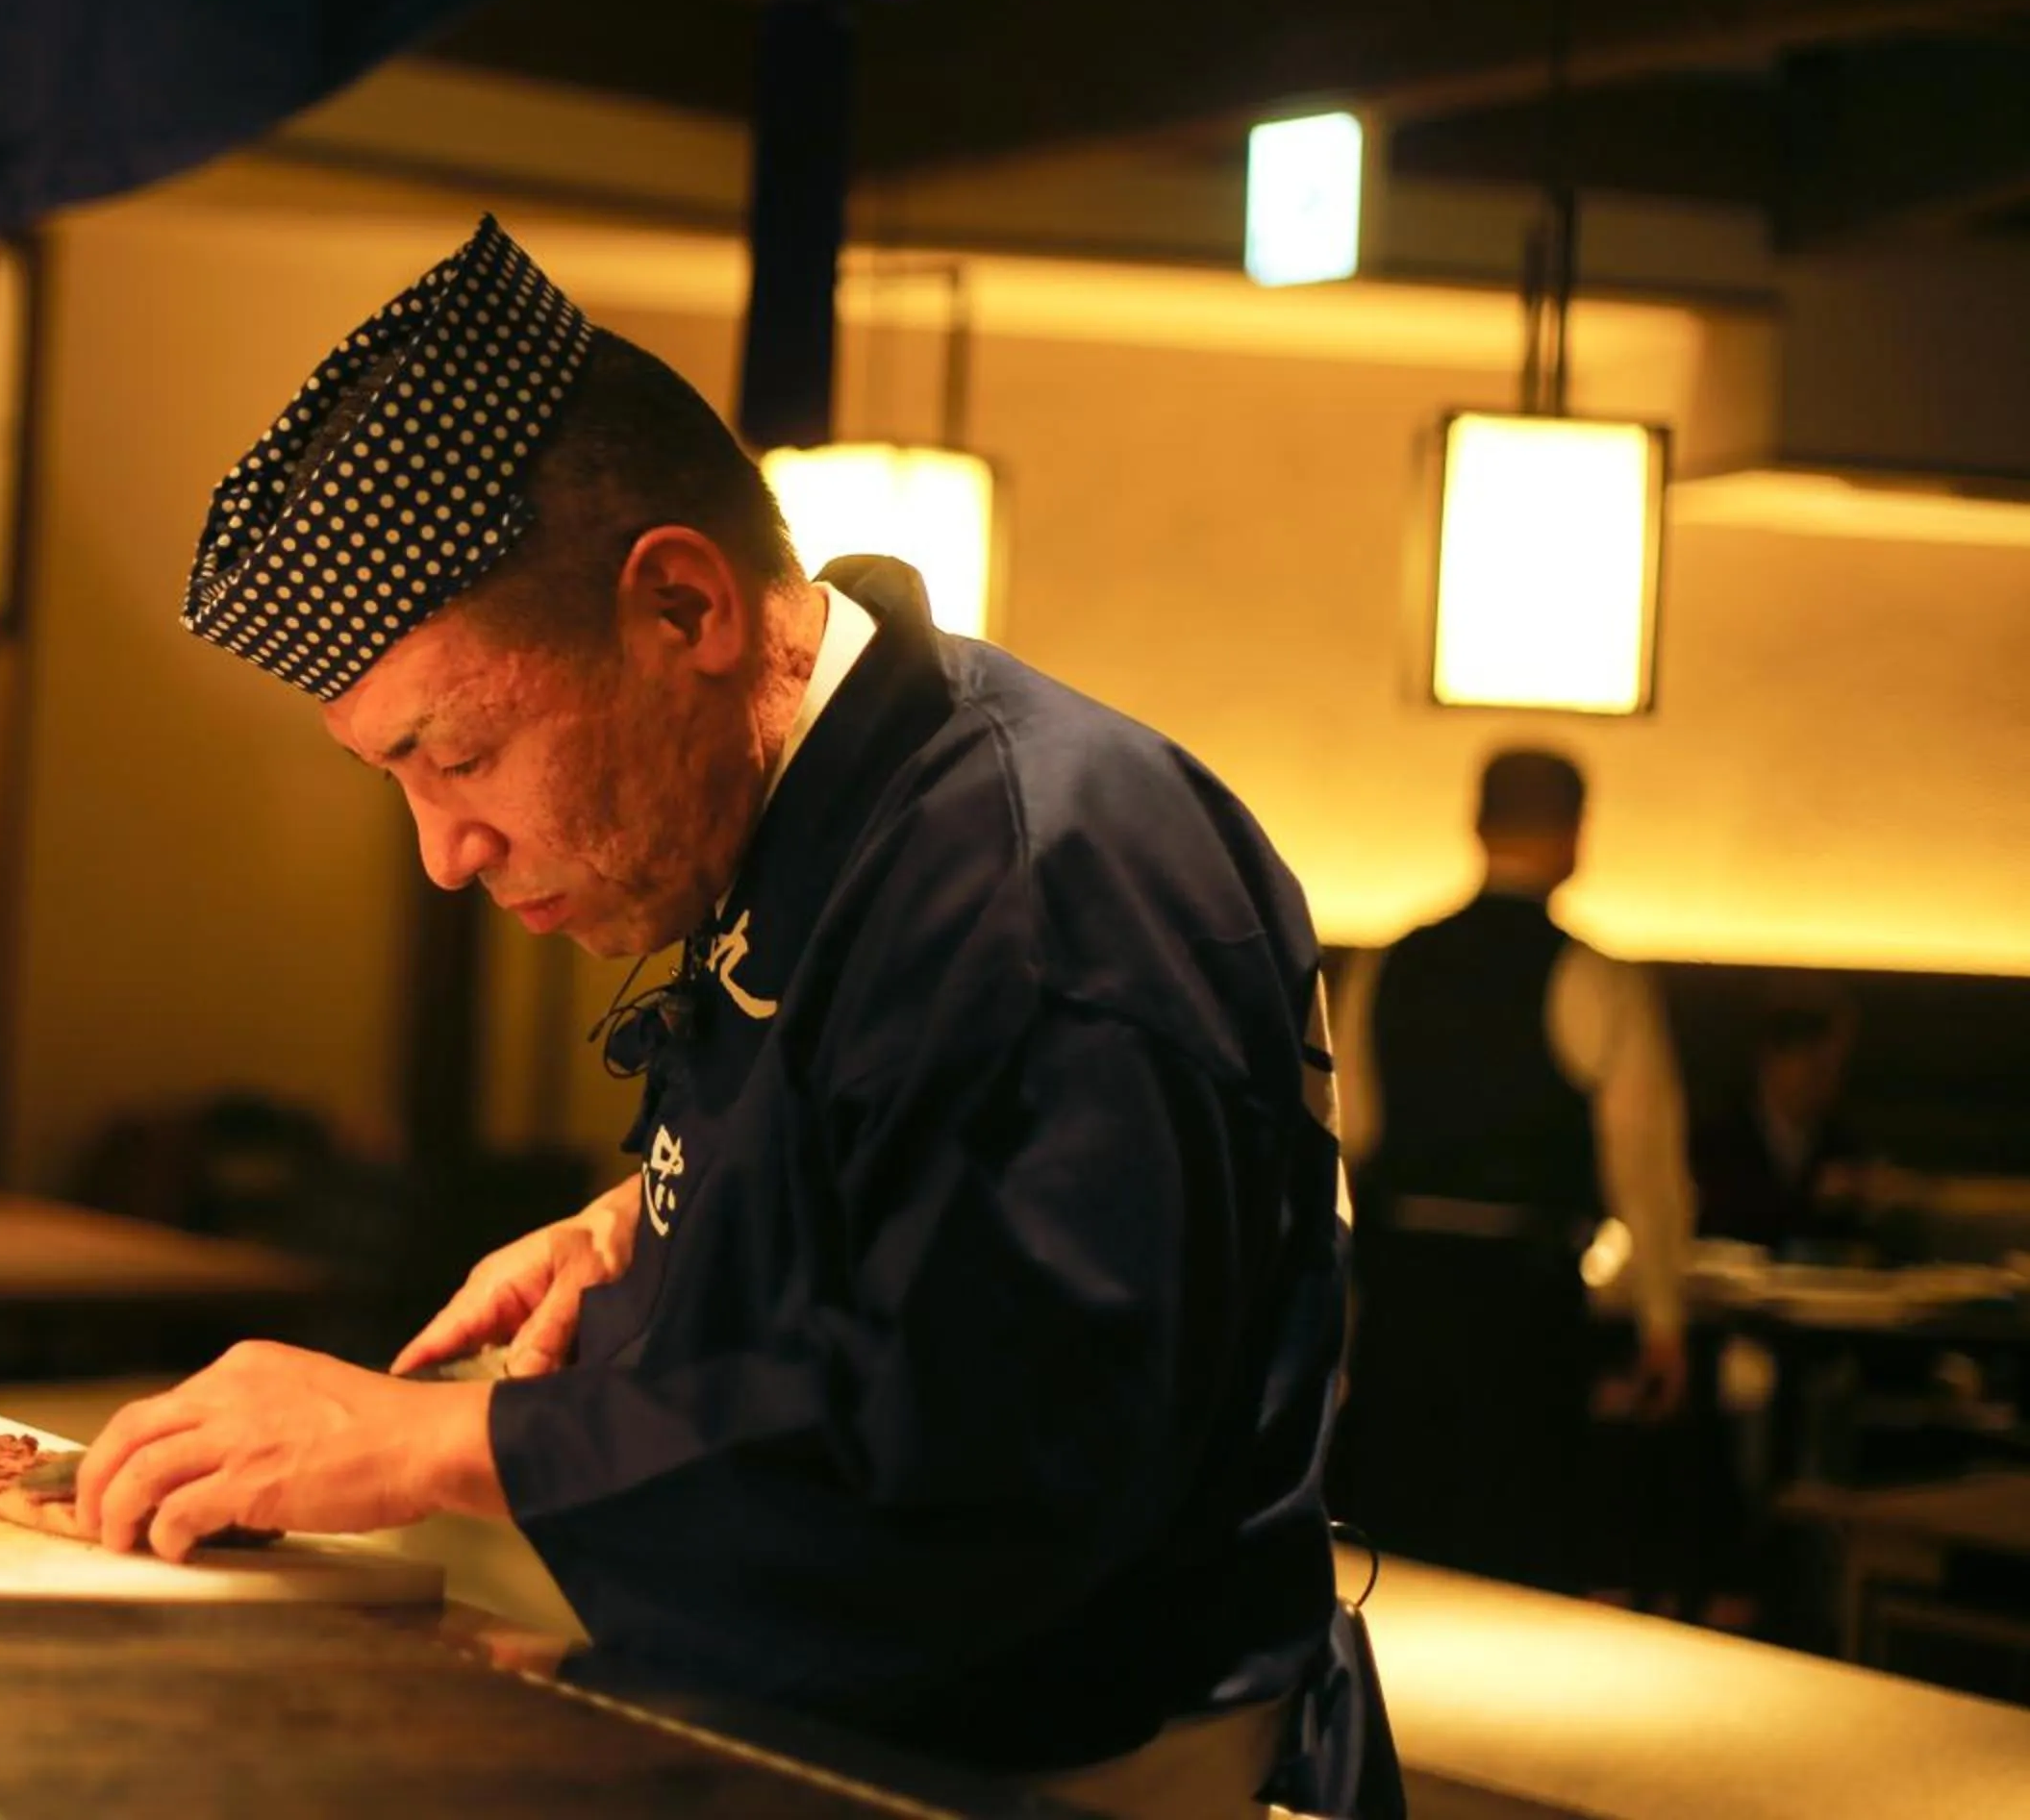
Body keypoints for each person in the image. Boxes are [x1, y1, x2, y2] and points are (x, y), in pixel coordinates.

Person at [72, 218, 1391, 1814]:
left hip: (1076, 1774)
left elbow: (981, 1452)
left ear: (683, 607)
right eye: (399, 783)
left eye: (463, 754)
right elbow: (913, 1158)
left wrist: (435, 1445)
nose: (445, 851)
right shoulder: (839, 818)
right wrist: (663, 1213)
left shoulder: (1042, 872)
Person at [1329, 748, 1692, 1595]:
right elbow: (1645, 1163)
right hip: (1522, 1296)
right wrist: (1663, 1316)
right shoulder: (1597, 977)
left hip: (1403, 1287)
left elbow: (1350, 1134)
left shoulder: (1389, 963)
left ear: (1477, 824)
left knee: (1402, 1537)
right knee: (1516, 1534)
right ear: (1576, 834)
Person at [1690, 994, 1877, 1254]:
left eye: (1836, 1069)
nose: (1827, 1082)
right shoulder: (1719, 1137)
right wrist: (1812, 1196)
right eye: (1815, 1067)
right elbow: (1726, 1220)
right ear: (1772, 1059)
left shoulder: (1840, 1141)